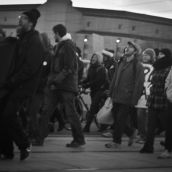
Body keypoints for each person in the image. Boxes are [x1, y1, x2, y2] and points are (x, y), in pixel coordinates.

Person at [0, 8, 44, 160]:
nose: (20, 20)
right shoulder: (23, 38)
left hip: (23, 86)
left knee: (8, 116)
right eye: (21, 17)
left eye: (24, 18)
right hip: (13, 85)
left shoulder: (35, 41)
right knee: (2, 116)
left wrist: (12, 80)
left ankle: (24, 144)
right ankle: (6, 150)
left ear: (31, 23)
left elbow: (30, 68)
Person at [41, 24, 85, 147]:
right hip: (57, 85)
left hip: (66, 86)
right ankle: (39, 137)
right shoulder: (59, 46)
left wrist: (55, 81)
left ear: (58, 33)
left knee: (71, 113)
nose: (53, 36)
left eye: (54, 33)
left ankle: (79, 139)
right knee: (46, 110)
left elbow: (69, 67)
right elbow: (54, 67)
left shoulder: (69, 46)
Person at [105, 41, 144, 148]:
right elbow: (115, 79)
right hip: (117, 95)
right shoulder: (122, 62)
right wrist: (111, 92)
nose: (127, 48)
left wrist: (134, 99)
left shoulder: (138, 65)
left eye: (131, 47)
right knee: (116, 117)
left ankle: (116, 142)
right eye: (127, 46)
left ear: (135, 52)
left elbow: (139, 84)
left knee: (120, 119)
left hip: (127, 97)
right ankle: (131, 133)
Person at [140, 48, 172, 153]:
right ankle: (148, 146)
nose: (160, 56)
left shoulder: (169, 68)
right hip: (153, 99)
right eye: (159, 54)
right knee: (151, 125)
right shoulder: (156, 67)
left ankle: (168, 146)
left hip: (164, 100)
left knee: (166, 125)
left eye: (162, 54)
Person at [82, 53, 108, 132]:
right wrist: (81, 83)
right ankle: (103, 126)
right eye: (93, 57)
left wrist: (86, 85)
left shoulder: (101, 68)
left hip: (100, 90)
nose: (93, 58)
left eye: (95, 57)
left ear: (99, 59)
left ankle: (87, 127)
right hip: (94, 91)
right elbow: (88, 79)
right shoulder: (91, 67)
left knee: (92, 108)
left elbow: (98, 81)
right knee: (96, 109)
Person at [135, 48, 155, 144]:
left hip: (148, 94)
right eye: (144, 55)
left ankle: (145, 136)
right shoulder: (139, 66)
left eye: (147, 55)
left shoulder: (155, 67)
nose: (145, 56)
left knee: (144, 116)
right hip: (139, 94)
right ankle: (141, 134)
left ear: (151, 56)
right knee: (139, 116)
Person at [158, 66, 172, 158]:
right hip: (171, 99)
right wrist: (168, 93)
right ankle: (168, 149)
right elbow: (168, 80)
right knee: (170, 125)